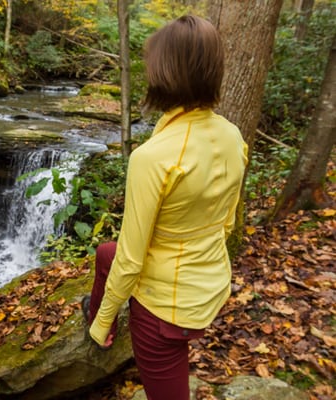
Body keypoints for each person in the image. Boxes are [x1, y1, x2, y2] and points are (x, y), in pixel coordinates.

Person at [84, 15, 246, 400]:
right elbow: (225, 223)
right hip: (210, 282)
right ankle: (94, 317)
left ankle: (97, 326)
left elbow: (132, 261)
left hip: (165, 310)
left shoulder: (153, 157)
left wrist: (106, 319)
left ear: (165, 73)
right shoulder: (231, 135)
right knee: (105, 253)